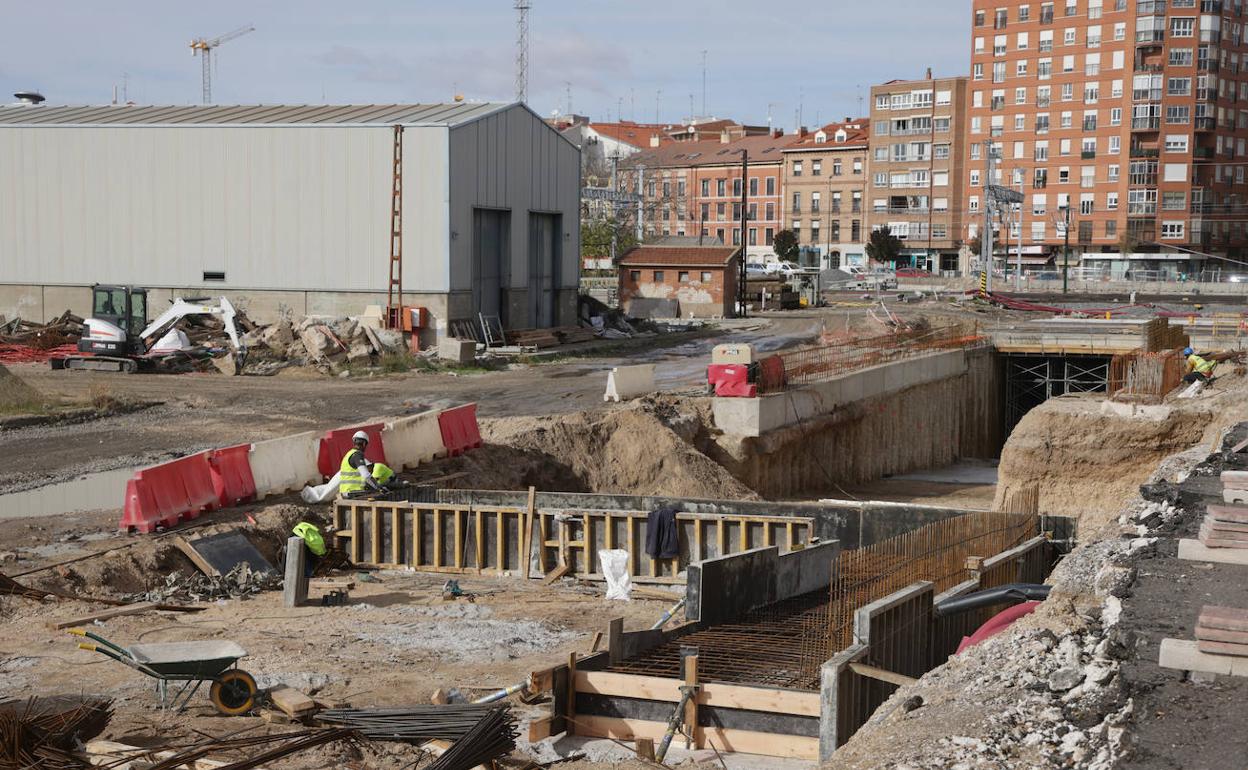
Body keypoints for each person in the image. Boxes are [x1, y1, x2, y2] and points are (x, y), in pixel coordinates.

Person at [338, 430, 384, 498]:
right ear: (364, 443)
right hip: (352, 492)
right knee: (380, 495)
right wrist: (378, 487)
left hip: (345, 491)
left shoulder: (349, 454)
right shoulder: (357, 455)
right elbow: (366, 475)